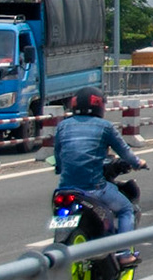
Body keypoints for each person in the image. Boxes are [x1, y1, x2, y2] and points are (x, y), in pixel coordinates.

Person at [53, 87, 145, 237]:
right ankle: (125, 252)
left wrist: (59, 168)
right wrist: (137, 163)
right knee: (126, 209)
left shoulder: (62, 126)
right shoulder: (105, 127)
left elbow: (58, 152)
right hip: (93, 189)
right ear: (99, 105)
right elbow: (124, 152)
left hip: (65, 188)